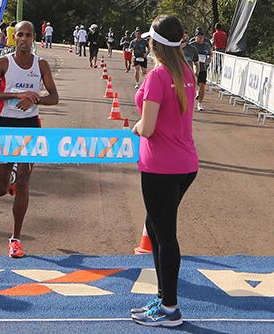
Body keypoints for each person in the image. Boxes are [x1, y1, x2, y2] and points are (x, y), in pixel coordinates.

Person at [131, 15, 198, 327]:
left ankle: (170, 307)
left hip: (161, 167)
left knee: (165, 234)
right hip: (184, 165)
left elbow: (148, 128)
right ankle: (163, 299)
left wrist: (134, 127)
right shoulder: (187, 71)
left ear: (154, 43)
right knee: (157, 228)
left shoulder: (158, 77)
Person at [0, 21, 59, 258]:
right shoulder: (3, 62)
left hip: (30, 126)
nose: (23, 39)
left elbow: (54, 97)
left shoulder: (41, 64)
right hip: (6, 125)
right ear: (14, 38)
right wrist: (16, 95)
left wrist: (34, 99)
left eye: (27, 35)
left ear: (34, 37)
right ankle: (10, 180)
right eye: (20, 35)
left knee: (25, 184)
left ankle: (15, 239)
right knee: (0, 190)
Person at [189, 31, 211, 111]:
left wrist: (209, 59)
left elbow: (210, 53)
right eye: (199, 36)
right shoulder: (191, 45)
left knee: (202, 85)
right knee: (191, 85)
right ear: (195, 36)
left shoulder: (206, 46)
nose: (200, 38)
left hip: (203, 69)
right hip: (192, 68)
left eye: (202, 36)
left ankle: (200, 104)